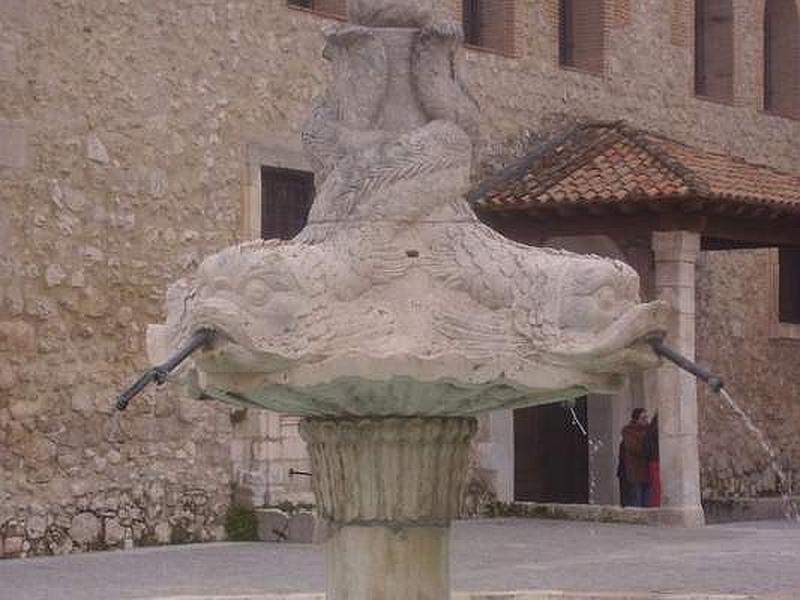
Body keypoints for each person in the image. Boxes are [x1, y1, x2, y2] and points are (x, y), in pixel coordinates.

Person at [621, 408, 651, 507]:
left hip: (648, 471)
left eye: (647, 417)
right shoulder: (629, 431)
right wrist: (646, 441)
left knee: (647, 502)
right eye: (643, 418)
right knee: (636, 502)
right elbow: (635, 448)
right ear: (636, 419)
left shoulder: (649, 431)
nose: (646, 420)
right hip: (635, 472)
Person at [644, 413, 661, 507]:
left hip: (655, 461)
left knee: (657, 487)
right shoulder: (653, 431)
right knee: (657, 487)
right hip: (655, 461)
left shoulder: (650, 431)